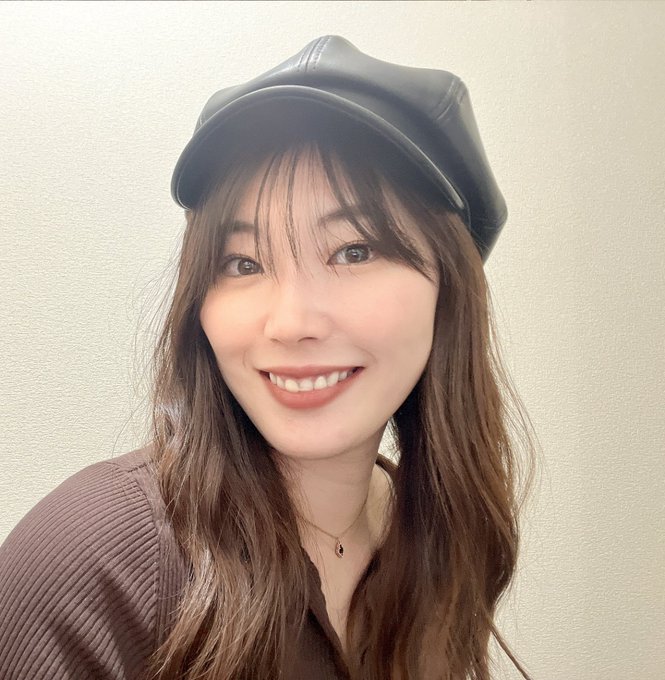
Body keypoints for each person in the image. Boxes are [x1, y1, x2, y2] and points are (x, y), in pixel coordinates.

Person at [0, 35, 535, 680]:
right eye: (243, 263)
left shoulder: (433, 531)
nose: (290, 324)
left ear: (449, 288)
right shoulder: (96, 557)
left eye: (355, 251)